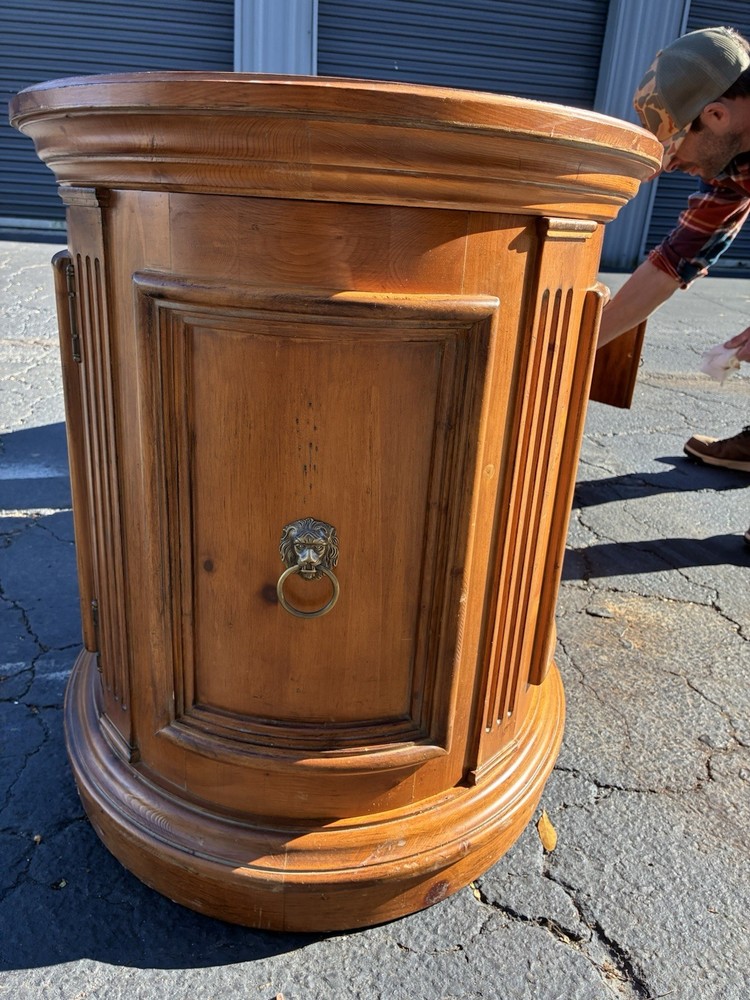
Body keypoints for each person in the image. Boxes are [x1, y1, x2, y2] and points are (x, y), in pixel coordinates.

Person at [596, 25, 750, 545]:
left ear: (717, 115)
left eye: (675, 145)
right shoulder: (734, 159)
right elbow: (674, 261)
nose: (670, 164)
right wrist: (574, 352)